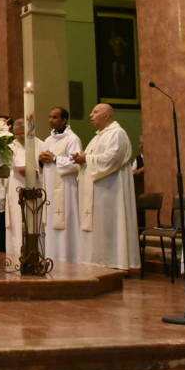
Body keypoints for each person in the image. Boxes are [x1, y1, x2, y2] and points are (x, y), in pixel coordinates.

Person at [72, 103, 139, 271]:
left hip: (111, 191)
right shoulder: (97, 137)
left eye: (95, 112)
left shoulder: (117, 134)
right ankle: (96, 261)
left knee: (110, 226)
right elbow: (91, 158)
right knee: (98, 226)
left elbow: (112, 158)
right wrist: (81, 159)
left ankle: (114, 262)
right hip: (98, 190)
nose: (90, 115)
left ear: (107, 115)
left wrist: (86, 159)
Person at [38, 106, 82, 264]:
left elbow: (76, 164)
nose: (51, 120)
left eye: (55, 117)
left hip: (66, 187)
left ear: (64, 120)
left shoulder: (72, 139)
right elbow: (44, 164)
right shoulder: (48, 140)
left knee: (66, 222)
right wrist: (41, 160)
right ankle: (52, 256)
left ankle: (69, 257)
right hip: (50, 187)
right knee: (50, 223)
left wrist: (56, 159)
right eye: (50, 117)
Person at [2, 118, 29, 259]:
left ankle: (31, 253)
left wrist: (33, 170)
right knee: (16, 220)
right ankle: (15, 254)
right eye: (17, 134)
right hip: (14, 186)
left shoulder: (39, 144)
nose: (19, 137)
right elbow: (5, 167)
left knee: (31, 221)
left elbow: (44, 166)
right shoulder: (10, 147)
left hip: (32, 187)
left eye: (22, 134)